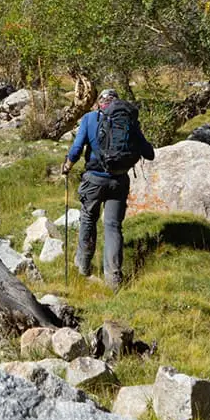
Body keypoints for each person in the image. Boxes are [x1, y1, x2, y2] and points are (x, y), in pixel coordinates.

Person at [60, 89, 155, 289]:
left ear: (99, 103)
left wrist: (67, 166)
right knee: (113, 227)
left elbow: (77, 148)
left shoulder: (90, 118)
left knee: (88, 220)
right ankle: (113, 279)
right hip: (119, 181)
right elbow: (149, 153)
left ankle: (83, 268)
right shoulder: (128, 121)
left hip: (94, 180)